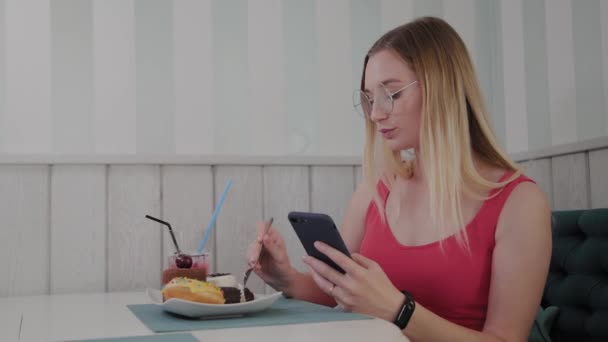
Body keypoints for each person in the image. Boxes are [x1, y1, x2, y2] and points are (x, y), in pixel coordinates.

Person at [247, 16, 551, 341]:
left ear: (442, 88)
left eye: (391, 94)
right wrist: (286, 277)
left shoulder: (519, 203)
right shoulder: (375, 191)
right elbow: (334, 291)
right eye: (369, 98)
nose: (376, 113)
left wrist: (399, 310)